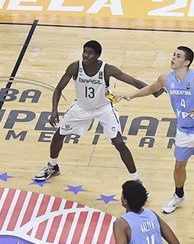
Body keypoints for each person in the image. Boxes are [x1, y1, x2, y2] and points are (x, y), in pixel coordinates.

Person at [117, 46, 194, 232]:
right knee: (179, 166)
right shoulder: (166, 78)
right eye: (173, 54)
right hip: (183, 130)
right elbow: (151, 88)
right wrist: (131, 95)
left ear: (186, 62)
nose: (173, 58)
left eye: (178, 56)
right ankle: (178, 195)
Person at [34, 40, 152, 184]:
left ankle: (136, 179)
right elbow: (58, 89)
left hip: (104, 108)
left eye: (90, 53)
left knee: (119, 142)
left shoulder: (107, 69)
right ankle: (52, 166)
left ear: (97, 56)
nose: (85, 55)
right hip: (81, 108)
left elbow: (133, 81)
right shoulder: (75, 67)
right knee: (59, 135)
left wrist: (153, 89)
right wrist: (54, 110)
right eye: (84, 51)